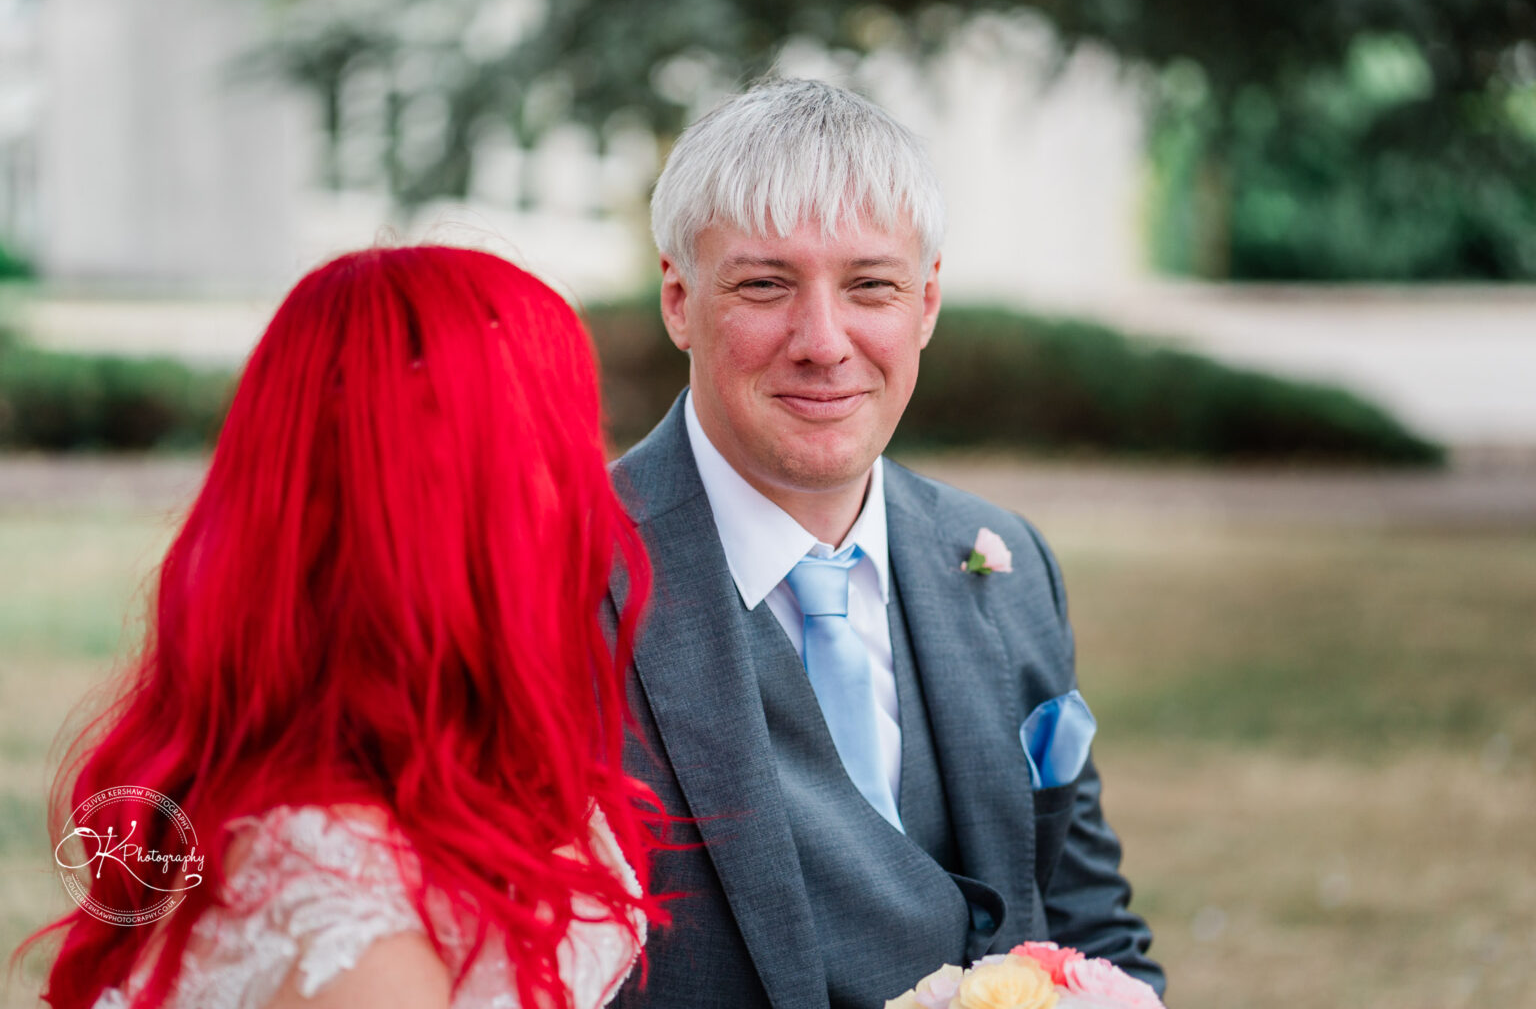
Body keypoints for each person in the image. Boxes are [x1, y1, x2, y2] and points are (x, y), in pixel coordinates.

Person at [608, 78, 1164, 1008]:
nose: (824, 341)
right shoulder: (556, 577)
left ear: (928, 304)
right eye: (764, 285)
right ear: (678, 301)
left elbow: (1089, 926)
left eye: (871, 285)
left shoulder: (1007, 564)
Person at [26, 247, 664, 1009]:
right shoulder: (356, 937)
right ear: (469, 507)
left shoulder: (325, 780)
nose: (593, 481)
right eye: (563, 442)